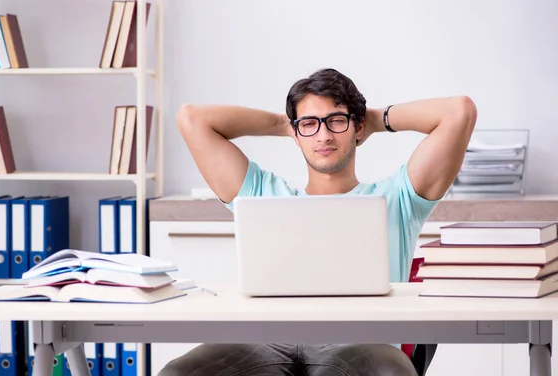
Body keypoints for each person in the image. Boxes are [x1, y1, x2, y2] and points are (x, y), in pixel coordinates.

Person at [161, 68, 477, 376]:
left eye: (336, 121)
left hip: (361, 344)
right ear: (296, 133)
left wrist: (373, 120)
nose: (323, 135)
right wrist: (283, 124)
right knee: (180, 372)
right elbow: (192, 119)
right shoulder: (259, 193)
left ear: (357, 127)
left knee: (388, 370)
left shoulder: (399, 197)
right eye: (310, 124)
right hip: (265, 341)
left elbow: (458, 111)